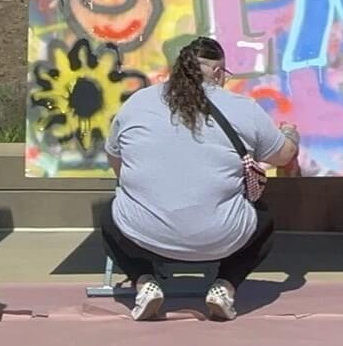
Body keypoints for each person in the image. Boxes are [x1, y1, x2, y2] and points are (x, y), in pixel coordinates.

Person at [100, 37, 299, 322]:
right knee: (263, 219)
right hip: (222, 239)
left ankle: (145, 283)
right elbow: (284, 155)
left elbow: (117, 164)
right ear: (218, 73)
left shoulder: (137, 102)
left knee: (110, 215)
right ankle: (224, 287)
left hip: (144, 237)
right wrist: (291, 133)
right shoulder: (243, 107)